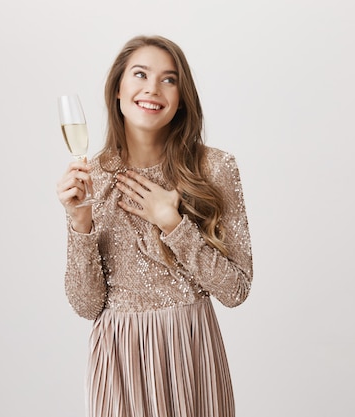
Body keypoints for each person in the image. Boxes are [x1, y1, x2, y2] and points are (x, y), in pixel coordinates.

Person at [56, 35, 253, 417]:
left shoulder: (215, 168)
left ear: (182, 96)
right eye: (140, 75)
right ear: (117, 88)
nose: (152, 89)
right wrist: (79, 223)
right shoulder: (91, 177)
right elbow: (86, 305)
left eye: (169, 79)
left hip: (191, 348)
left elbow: (236, 289)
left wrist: (173, 223)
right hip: (119, 357)